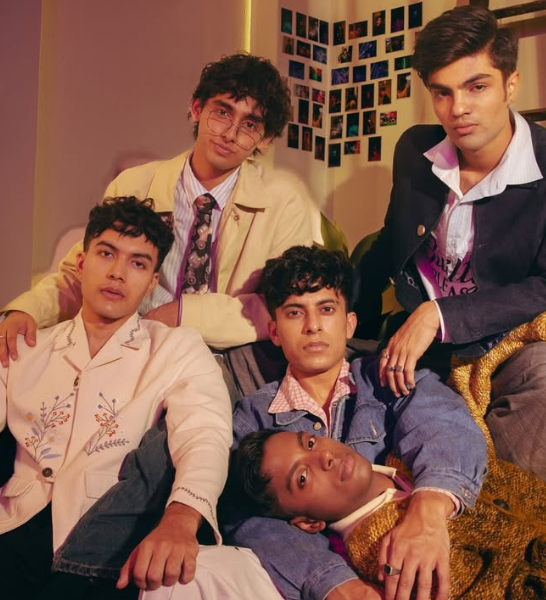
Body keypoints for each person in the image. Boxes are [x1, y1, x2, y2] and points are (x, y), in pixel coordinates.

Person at [0, 197, 233, 599]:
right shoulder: (24, 349)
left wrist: (181, 519)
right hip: (9, 528)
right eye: (106, 253)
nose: (117, 273)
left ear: (152, 282)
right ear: (81, 264)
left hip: (104, 547)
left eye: (138, 263)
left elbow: (205, 434)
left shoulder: (176, 349)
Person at [0, 52, 317, 369]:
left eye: (250, 125)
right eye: (222, 113)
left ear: (265, 139)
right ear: (197, 108)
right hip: (129, 348)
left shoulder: (284, 202)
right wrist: (27, 312)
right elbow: (82, 272)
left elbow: (288, 302)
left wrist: (183, 315)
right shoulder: (135, 185)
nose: (230, 134)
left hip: (225, 358)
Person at [223, 246, 487, 600]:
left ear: (349, 323)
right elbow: (241, 517)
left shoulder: (388, 375)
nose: (313, 326)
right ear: (274, 331)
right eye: (295, 312)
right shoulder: (253, 417)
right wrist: (334, 583)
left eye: (326, 309)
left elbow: (444, 423)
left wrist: (428, 512)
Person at [355, 5, 546, 480]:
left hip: (509, 344)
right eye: (442, 92)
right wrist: (339, 307)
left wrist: (439, 315)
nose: (457, 108)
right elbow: (390, 244)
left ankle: (496, 507)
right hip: (420, 346)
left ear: (511, 85)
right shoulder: (415, 151)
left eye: (476, 87)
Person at [234, 429, 546, 599]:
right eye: (302, 477)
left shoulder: (413, 453)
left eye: (311, 442)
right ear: (308, 522)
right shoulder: (380, 551)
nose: (324, 457)